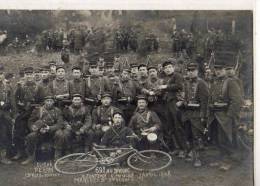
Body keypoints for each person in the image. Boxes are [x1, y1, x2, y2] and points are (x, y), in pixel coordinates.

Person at [207, 64, 243, 171]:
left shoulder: (231, 82)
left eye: (220, 69)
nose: (218, 71)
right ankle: (221, 159)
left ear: (225, 70)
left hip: (225, 115)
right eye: (216, 69)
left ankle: (228, 161)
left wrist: (229, 116)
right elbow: (211, 98)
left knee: (226, 139)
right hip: (214, 115)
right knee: (216, 139)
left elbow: (236, 101)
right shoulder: (214, 82)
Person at [21, 96, 64, 164]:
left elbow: (60, 124)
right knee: (30, 136)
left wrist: (49, 128)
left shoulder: (57, 110)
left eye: (51, 101)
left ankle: (57, 157)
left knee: (60, 134)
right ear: (44, 101)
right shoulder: (38, 110)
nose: (49, 102)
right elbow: (31, 121)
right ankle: (31, 157)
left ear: (53, 102)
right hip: (40, 131)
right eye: (47, 101)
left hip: (52, 131)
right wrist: (35, 128)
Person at [13, 67, 44, 161]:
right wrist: (19, 109)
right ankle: (20, 152)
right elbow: (15, 100)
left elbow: (42, 101)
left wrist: (37, 110)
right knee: (18, 131)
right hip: (23, 113)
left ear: (34, 75)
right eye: (27, 74)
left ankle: (31, 155)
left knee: (33, 133)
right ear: (24, 75)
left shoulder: (39, 87)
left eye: (31, 74)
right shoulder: (20, 86)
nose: (29, 76)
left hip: (34, 114)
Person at [181, 63, 209, 167]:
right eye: (189, 71)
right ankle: (191, 153)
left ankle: (198, 158)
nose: (190, 72)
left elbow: (205, 101)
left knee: (197, 137)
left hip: (197, 115)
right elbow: (185, 97)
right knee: (188, 135)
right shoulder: (186, 82)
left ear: (197, 71)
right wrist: (183, 102)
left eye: (193, 70)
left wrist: (203, 117)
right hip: (187, 114)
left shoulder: (202, 83)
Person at [159, 60, 186, 157]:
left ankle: (184, 149)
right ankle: (176, 148)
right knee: (170, 126)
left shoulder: (177, 76)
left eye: (169, 67)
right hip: (167, 104)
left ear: (173, 67)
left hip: (175, 103)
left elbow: (179, 86)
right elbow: (163, 91)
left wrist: (165, 86)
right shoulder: (165, 78)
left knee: (178, 126)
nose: (167, 69)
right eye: (165, 68)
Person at [0, 65, 13, 164]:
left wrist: (6, 105)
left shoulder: (7, 86)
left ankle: (5, 155)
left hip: (6, 114)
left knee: (5, 133)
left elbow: (11, 100)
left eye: (1, 73)